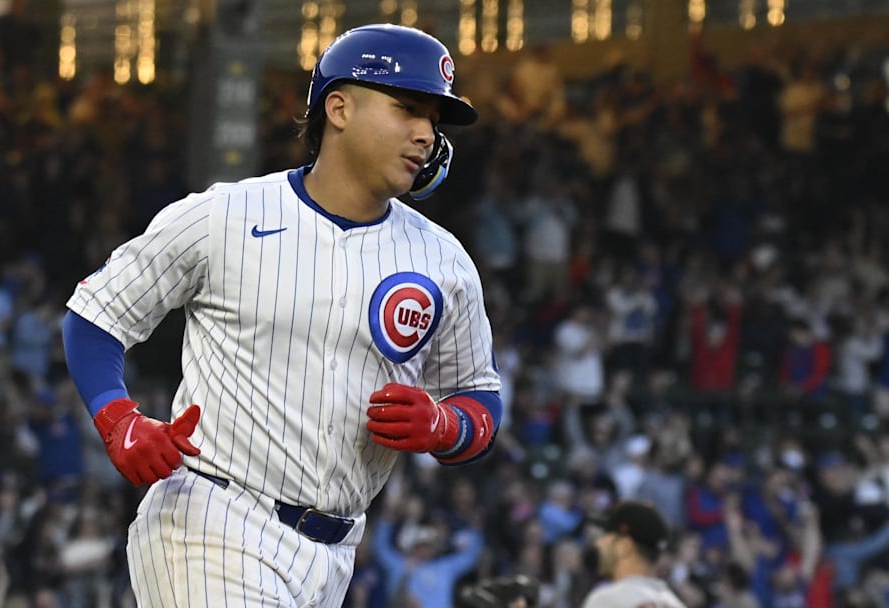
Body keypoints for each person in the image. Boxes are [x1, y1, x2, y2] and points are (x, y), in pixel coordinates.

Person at [61, 23, 502, 607]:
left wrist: (448, 426)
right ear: (339, 108)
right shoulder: (225, 215)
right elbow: (96, 314)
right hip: (213, 521)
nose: (425, 133)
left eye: (434, 121)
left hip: (337, 550)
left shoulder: (443, 259)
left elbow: (479, 396)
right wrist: (119, 418)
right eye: (407, 109)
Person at [582, 501, 686, 608]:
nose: (600, 544)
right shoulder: (675, 603)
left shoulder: (605, 600)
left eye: (606, 538)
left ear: (625, 546)